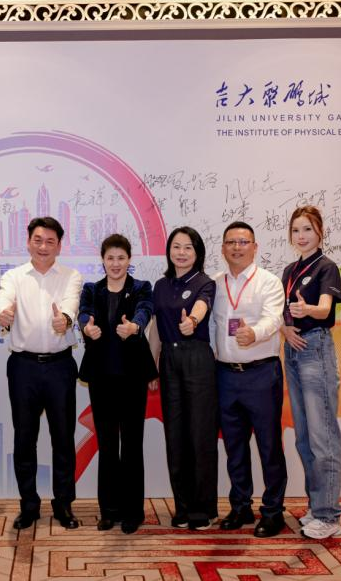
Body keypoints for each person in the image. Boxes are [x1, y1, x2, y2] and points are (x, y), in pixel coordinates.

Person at [0, 216, 83, 530]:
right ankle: (29, 505)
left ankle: (64, 504)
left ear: (59, 245)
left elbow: (71, 304)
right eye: (38, 240)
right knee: (24, 439)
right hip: (23, 368)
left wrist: (66, 320)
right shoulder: (13, 276)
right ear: (28, 242)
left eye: (50, 241)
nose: (43, 246)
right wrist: (4, 313)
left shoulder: (72, 275)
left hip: (60, 366)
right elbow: (3, 301)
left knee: (63, 438)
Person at [212, 221, 287, 538]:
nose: (237, 247)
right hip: (225, 375)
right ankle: (240, 506)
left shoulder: (269, 282)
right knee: (235, 447)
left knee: (269, 446)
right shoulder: (214, 284)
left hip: (261, 374)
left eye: (243, 242)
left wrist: (254, 333)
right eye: (231, 242)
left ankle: (273, 511)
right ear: (223, 248)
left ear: (255, 247)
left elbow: (274, 318)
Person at [78, 234, 157, 534]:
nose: (115, 263)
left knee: (132, 445)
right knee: (108, 444)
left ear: (129, 260)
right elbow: (84, 313)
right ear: (103, 260)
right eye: (110, 258)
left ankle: (133, 512)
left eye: (121, 258)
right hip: (102, 378)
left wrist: (135, 326)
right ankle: (108, 510)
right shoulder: (92, 289)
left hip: (132, 378)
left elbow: (145, 310)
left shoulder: (141, 287)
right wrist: (87, 327)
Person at [280, 206, 341, 540]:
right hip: (293, 351)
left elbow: (324, 309)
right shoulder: (290, 270)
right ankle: (317, 506)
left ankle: (329, 515)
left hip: (316, 349)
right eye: (296, 230)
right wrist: (286, 329)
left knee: (323, 436)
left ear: (320, 231)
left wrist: (307, 309)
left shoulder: (326, 267)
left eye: (307, 229)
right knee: (304, 437)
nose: (301, 236)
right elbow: (283, 313)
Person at [149, 226, 218, 531]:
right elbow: (156, 329)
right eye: (176, 247)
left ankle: (203, 509)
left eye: (188, 247)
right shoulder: (161, 285)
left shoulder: (205, 282)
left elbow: (202, 307)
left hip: (197, 358)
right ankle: (183, 507)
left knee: (200, 434)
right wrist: (151, 366)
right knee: (175, 435)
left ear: (197, 252)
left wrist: (192, 320)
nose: (181, 252)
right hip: (169, 360)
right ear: (169, 251)